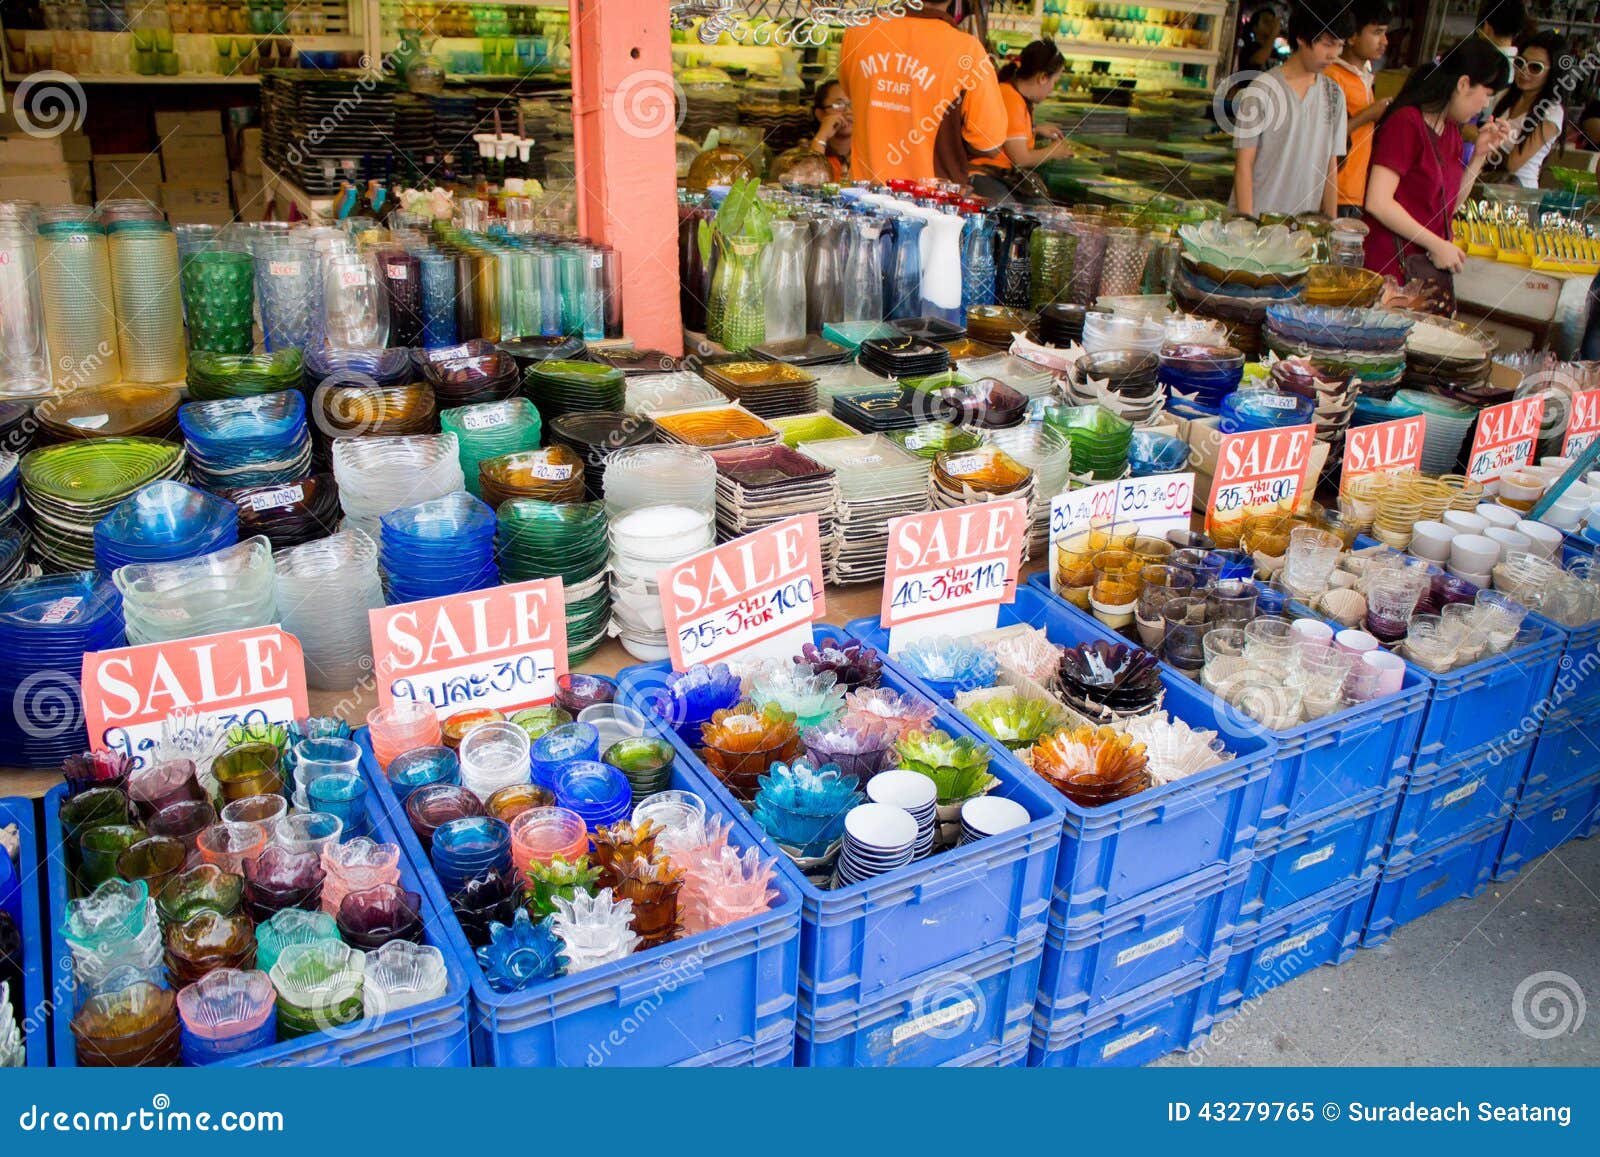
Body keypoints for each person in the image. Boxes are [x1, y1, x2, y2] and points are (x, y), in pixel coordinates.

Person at [1362, 37, 1515, 278]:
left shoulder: (1451, 130)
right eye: (1487, 94)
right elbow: (1378, 201)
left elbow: (1447, 208)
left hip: (1424, 270)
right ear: (1464, 84)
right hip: (1390, 268)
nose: (1486, 104)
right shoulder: (1407, 122)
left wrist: (1478, 158)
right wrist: (1436, 244)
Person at [838, 0, 1008, 183]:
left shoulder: (859, 31)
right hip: (929, 202)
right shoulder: (968, 51)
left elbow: (851, 92)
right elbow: (989, 144)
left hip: (863, 197)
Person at [1231, 2, 1354, 219]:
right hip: (1258, 220)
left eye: (1340, 46)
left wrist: (1330, 226)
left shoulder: (1334, 95)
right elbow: (1244, 164)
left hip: (1302, 230)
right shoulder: (1262, 89)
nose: (1333, 54)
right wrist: (1247, 224)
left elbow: (1330, 166)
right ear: (1302, 38)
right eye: (1327, 44)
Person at [1330, 0, 1392, 217]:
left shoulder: (1363, 75)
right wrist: (1369, 115)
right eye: (1377, 32)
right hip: (1335, 191)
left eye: (1385, 33)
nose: (1384, 41)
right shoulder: (1333, 76)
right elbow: (1325, 137)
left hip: (1356, 190)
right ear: (1352, 36)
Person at [1492, 31, 1568, 188]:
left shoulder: (1552, 113)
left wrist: (1480, 140)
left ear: (1553, 72)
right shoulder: (1506, 97)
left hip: (1518, 194)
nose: (1524, 71)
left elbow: (1514, 164)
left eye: (1535, 67)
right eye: (1520, 63)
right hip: (1490, 183)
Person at [989, 40, 1069, 170]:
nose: (1052, 89)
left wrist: (1034, 130)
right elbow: (1020, 158)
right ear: (1043, 78)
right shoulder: (1011, 99)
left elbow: (1008, 133)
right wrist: (1053, 151)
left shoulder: (1013, 93)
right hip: (991, 178)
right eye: (1055, 82)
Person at [808, 81, 854, 181]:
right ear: (820, 114)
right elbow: (811, 183)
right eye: (839, 105)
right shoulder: (798, 155)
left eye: (854, 104)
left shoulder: (869, 153)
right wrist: (822, 136)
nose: (848, 112)